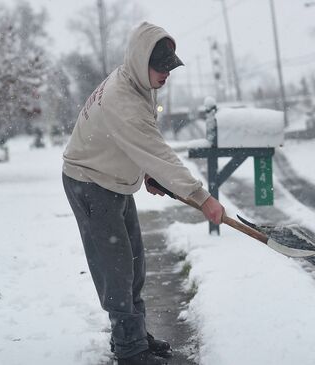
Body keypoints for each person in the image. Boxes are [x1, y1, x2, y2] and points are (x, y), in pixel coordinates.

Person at [62, 21, 225, 365]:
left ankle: (133, 335)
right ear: (140, 61)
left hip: (111, 180)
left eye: (170, 67)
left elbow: (139, 145)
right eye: (161, 67)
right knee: (116, 269)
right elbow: (159, 150)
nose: (166, 74)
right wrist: (202, 198)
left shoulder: (136, 83)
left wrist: (148, 173)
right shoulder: (125, 100)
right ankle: (129, 350)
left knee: (133, 262)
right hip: (91, 183)